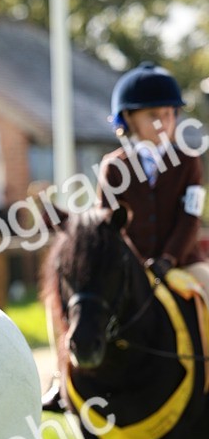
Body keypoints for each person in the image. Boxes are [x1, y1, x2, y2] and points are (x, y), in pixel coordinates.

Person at [42, 61, 209, 411]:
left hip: (182, 262)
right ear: (128, 119)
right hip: (128, 266)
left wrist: (168, 258)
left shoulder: (189, 161)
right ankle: (61, 379)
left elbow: (190, 217)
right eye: (154, 115)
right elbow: (105, 223)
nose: (165, 122)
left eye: (170, 114)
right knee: (68, 301)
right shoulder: (113, 166)